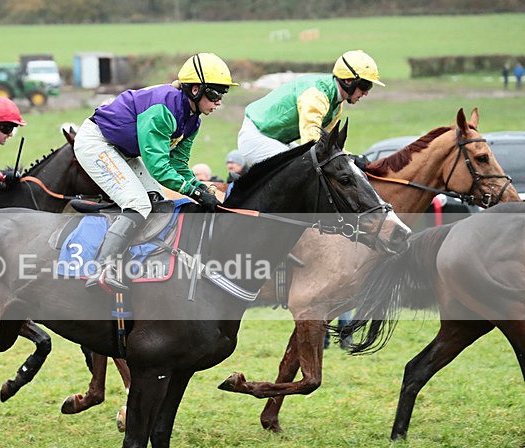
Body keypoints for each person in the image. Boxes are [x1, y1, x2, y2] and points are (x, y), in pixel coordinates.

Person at [74, 52, 237, 291]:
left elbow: (179, 165)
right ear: (194, 90)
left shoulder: (194, 120)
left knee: (157, 202)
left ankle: (140, 261)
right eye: (214, 93)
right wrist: (195, 192)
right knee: (138, 203)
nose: (219, 101)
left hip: (124, 151)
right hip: (97, 142)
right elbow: (159, 167)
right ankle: (102, 268)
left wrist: (200, 187)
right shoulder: (163, 108)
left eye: (223, 94)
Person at [238, 50, 384, 166]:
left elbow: (327, 142)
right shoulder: (316, 95)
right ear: (348, 81)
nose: (366, 92)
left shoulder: (336, 104)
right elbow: (312, 142)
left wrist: (351, 158)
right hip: (257, 136)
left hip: (277, 139)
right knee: (303, 171)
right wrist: (349, 159)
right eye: (365, 86)